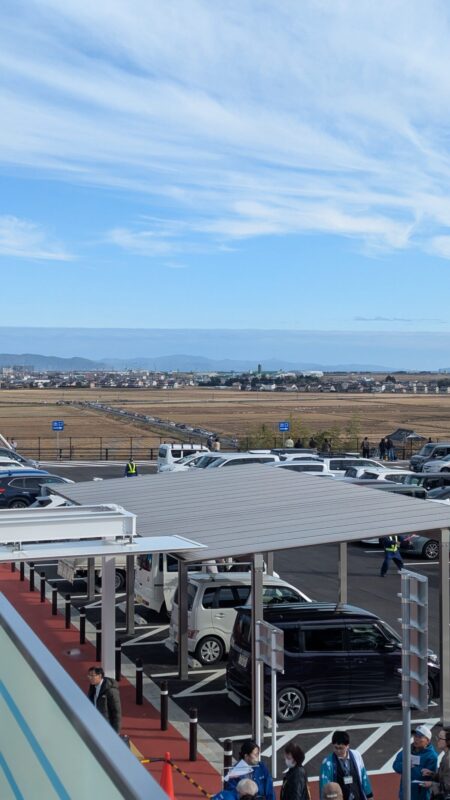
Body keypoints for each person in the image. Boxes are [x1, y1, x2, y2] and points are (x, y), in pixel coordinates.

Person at [319, 729, 373, 800]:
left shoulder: (357, 755)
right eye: (335, 748)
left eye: (341, 748)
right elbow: (324, 786)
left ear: (347, 746)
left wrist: (369, 795)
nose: (338, 751)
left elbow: (363, 776)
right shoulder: (327, 763)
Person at [393, 724, 438, 800]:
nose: (416, 739)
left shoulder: (432, 756)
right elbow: (395, 765)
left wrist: (413, 768)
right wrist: (405, 766)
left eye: (420, 737)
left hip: (421, 796)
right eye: (415, 736)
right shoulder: (407, 749)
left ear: (427, 741)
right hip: (404, 794)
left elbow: (430, 778)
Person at [87, 666, 121, 733]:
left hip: (106, 725)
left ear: (100, 676)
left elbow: (116, 712)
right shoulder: (93, 686)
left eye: (92, 676)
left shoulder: (111, 691)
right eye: (89, 675)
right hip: (96, 722)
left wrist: (116, 732)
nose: (90, 678)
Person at [420, 727, 450, 797]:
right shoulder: (446, 756)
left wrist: (431, 784)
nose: (437, 740)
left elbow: (447, 787)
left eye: (440, 738)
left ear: (448, 741)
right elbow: (444, 777)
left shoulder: (447, 760)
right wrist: (431, 774)